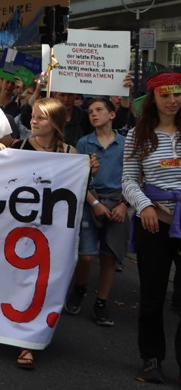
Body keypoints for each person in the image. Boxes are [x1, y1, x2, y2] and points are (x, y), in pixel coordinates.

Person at [9, 96, 77, 369]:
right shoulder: (19, 147)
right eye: (32, 116)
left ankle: (29, 341)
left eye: (40, 117)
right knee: (17, 281)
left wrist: (90, 171)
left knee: (43, 284)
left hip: (54, 231)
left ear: (56, 122)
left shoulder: (71, 154)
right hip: (19, 228)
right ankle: (9, 328)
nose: (33, 121)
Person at [123, 72, 181, 384]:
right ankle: (151, 357)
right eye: (165, 94)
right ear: (153, 98)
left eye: (178, 94)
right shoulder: (139, 135)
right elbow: (129, 179)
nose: (173, 100)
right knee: (152, 295)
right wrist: (143, 205)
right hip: (154, 223)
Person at [67, 97, 128, 327]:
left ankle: (101, 302)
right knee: (86, 255)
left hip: (118, 202)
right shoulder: (84, 143)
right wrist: (94, 204)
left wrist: (124, 204)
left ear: (112, 115)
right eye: (90, 111)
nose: (93, 114)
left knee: (109, 257)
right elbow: (79, 180)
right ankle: (80, 288)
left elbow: (133, 177)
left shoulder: (125, 144)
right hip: (90, 201)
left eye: (99, 110)